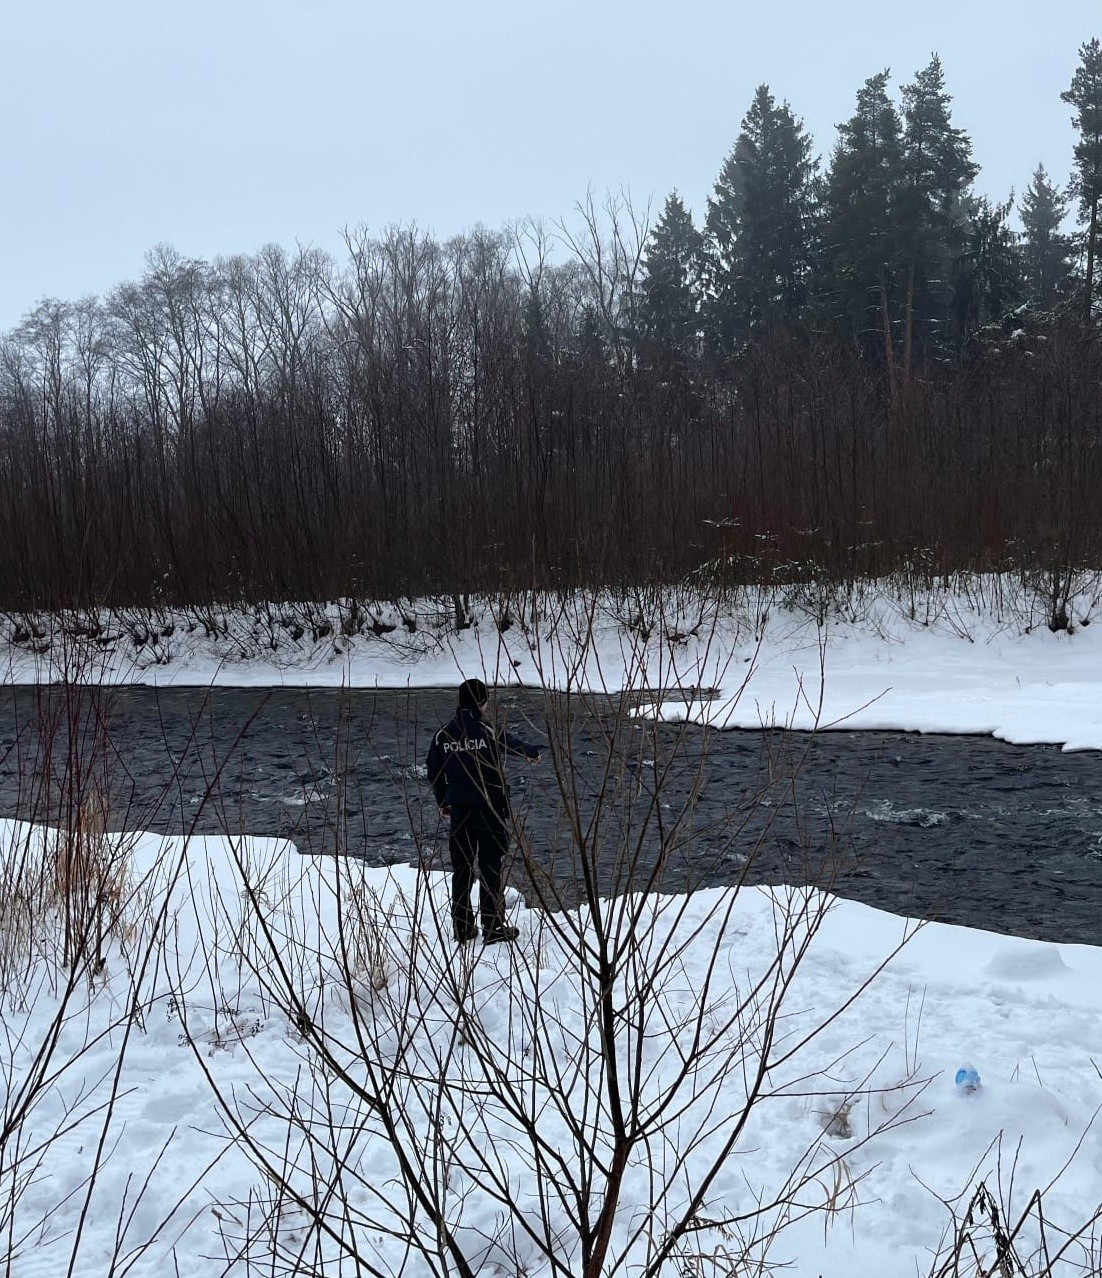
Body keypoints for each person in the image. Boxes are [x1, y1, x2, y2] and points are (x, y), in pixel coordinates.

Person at [426, 678, 542, 945]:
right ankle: (492, 926)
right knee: (490, 866)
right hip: (489, 809)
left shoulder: (442, 736)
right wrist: (532, 753)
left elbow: (433, 772)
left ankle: (463, 927)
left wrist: (443, 801)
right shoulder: (486, 730)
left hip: (459, 812)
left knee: (462, 868)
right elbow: (511, 743)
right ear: (481, 702)